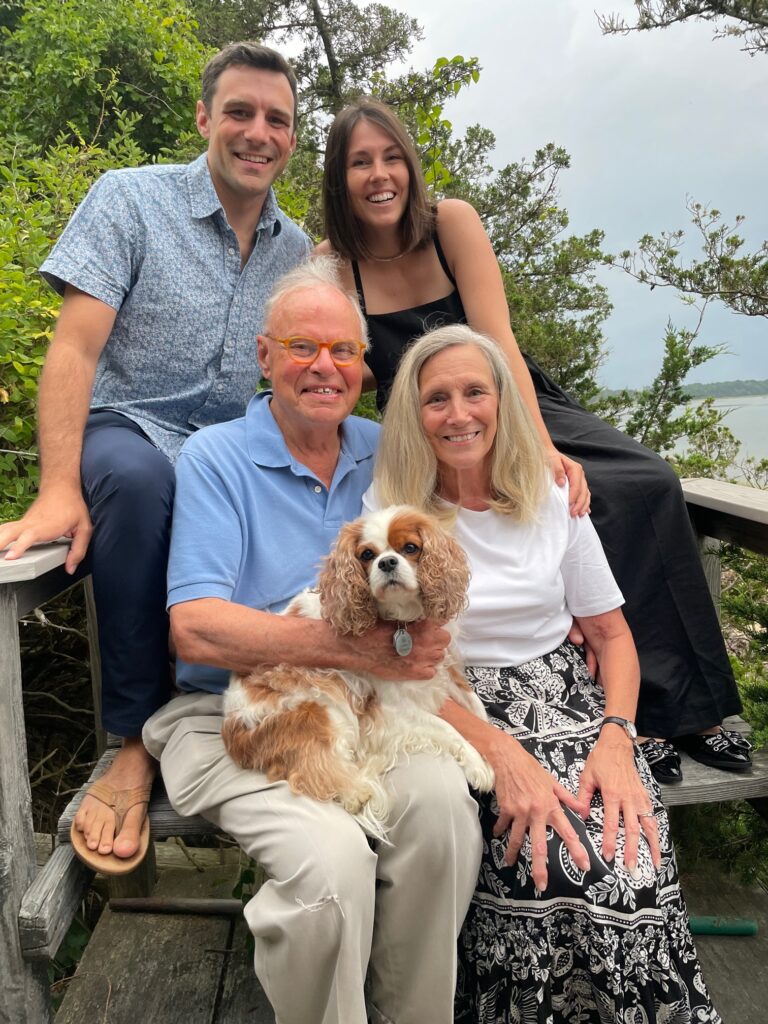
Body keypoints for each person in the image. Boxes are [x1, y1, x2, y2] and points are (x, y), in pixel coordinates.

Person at [317, 96, 751, 781]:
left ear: (410, 165)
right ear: (339, 179)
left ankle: (686, 707)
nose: (380, 175)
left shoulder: (449, 223)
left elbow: (498, 338)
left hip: (506, 399)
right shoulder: (336, 263)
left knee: (638, 484)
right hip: (426, 424)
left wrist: (537, 444)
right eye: (360, 162)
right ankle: (650, 728)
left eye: (391, 157)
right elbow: (345, 370)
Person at [140, 260, 527, 1024]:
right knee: (331, 864)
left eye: (344, 351)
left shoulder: (389, 449)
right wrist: (351, 650)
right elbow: (195, 627)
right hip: (236, 714)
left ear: (364, 364)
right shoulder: (215, 457)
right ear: (265, 357)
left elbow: (481, 464)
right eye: (302, 347)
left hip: (380, 708)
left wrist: (549, 459)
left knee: (446, 814)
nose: (325, 367)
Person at [0, 43, 312, 871]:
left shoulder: (297, 248)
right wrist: (60, 486)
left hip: (230, 450)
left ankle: (278, 711)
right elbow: (73, 350)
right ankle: (135, 739)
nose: (257, 132)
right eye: (239, 112)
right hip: (129, 429)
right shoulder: (130, 200)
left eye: (275, 120)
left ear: (291, 138)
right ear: (206, 118)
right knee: (142, 485)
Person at [366, 323, 721, 1023]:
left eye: (475, 392)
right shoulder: (396, 513)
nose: (459, 413)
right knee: (541, 863)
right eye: (437, 399)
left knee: (630, 862)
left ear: (503, 400)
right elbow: (394, 659)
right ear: (415, 414)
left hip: (571, 699)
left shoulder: (550, 496)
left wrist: (618, 737)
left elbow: (612, 635)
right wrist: (498, 753)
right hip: (454, 702)